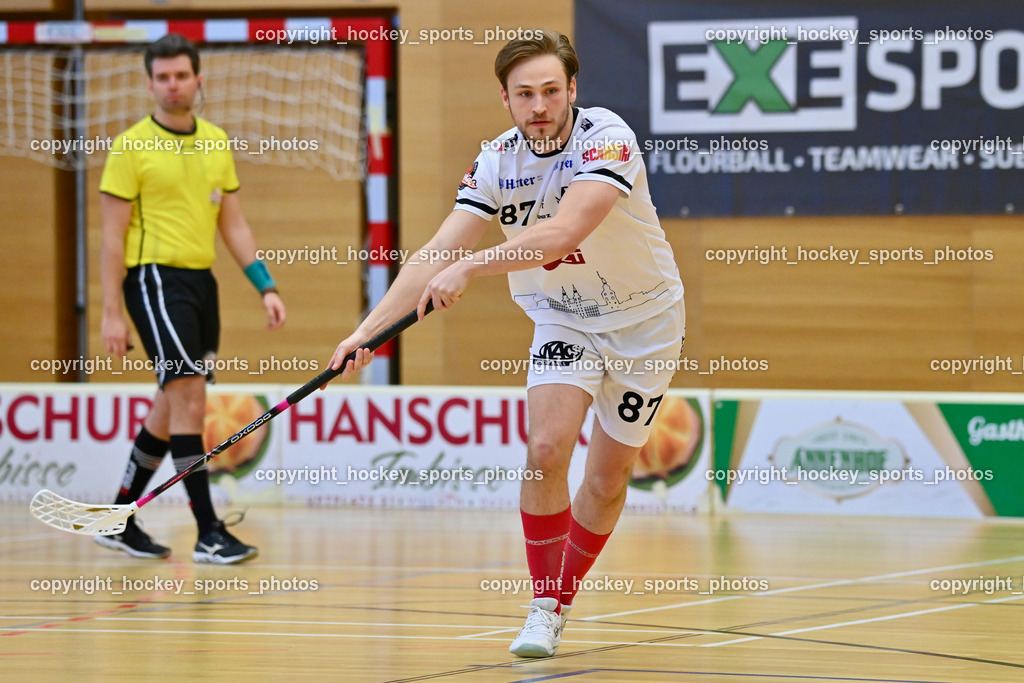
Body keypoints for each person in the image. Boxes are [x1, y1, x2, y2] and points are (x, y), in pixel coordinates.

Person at [329, 30, 685, 657]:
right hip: (563, 318)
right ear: (506, 100)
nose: (540, 105)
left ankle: (564, 595)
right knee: (545, 449)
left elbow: (564, 230)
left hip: (644, 323)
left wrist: (472, 269)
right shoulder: (495, 161)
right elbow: (437, 252)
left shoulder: (608, 139)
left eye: (551, 91)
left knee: (605, 479)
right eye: (525, 94)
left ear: (572, 90)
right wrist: (368, 331)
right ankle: (543, 606)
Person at [97, 34, 286, 564]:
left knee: (171, 402)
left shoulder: (214, 142)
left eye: (181, 75)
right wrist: (113, 312)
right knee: (192, 400)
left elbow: (235, 224)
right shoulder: (130, 146)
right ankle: (208, 530)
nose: (172, 85)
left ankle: (118, 518)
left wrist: (265, 285)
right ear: (150, 82)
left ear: (198, 80)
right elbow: (112, 237)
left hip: (201, 286)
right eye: (162, 77)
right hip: (154, 283)